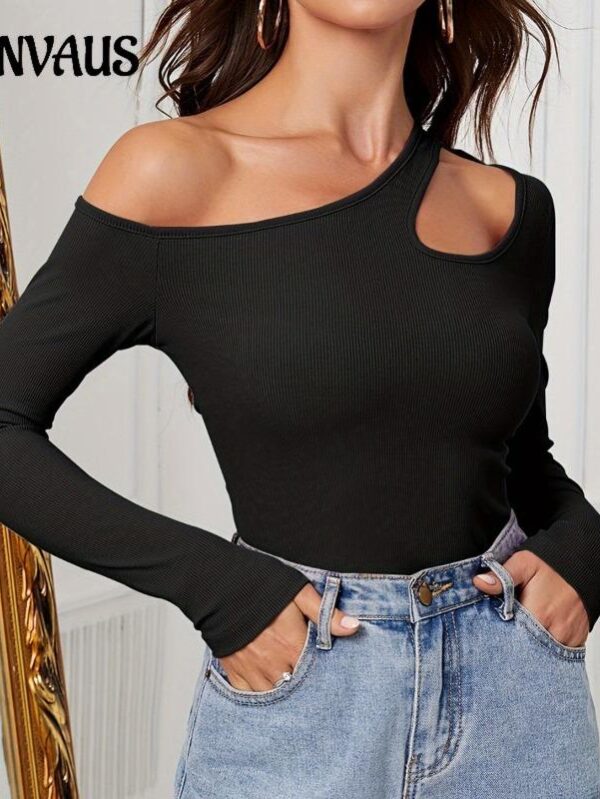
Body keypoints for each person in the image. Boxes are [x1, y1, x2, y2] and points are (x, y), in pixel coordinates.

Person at [1, 1, 599, 797]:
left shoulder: (507, 207)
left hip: (517, 704)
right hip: (305, 703)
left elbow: (523, 463)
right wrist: (219, 588)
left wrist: (588, 549)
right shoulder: (177, 171)